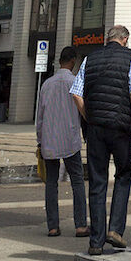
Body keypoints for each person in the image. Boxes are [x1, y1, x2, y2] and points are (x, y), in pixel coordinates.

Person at [70, 23, 131, 256]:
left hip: (96, 130)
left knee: (97, 181)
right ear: (124, 40)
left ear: (108, 40)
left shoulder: (89, 59)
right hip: (121, 129)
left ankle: (96, 242)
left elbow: (76, 93)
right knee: (123, 174)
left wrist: (90, 117)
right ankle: (115, 230)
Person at [35, 47, 88, 239]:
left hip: (49, 141)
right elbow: (83, 112)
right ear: (73, 61)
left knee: (51, 183)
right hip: (70, 140)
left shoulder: (47, 85)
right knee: (77, 182)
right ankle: (81, 226)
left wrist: (39, 141)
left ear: (60, 61)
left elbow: (40, 117)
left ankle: (53, 227)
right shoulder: (75, 83)